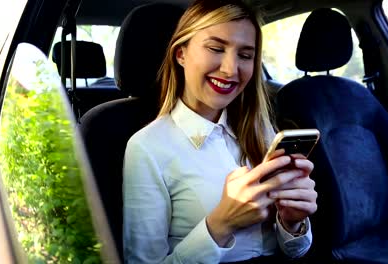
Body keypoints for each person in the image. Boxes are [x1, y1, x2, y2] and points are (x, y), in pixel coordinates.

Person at [122, 0, 318, 263]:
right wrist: (221, 224)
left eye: (246, 56)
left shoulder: (261, 129)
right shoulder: (146, 147)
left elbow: (296, 250)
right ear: (181, 54)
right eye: (216, 48)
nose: (230, 69)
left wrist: (292, 223)